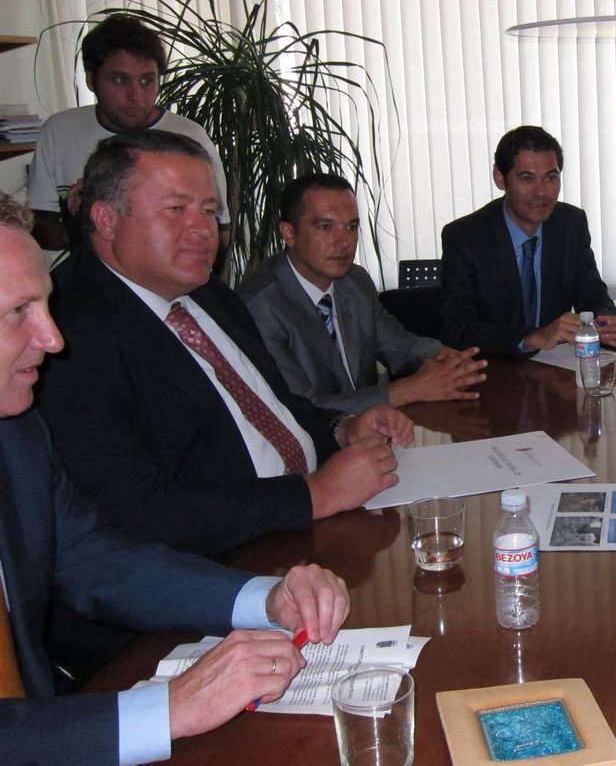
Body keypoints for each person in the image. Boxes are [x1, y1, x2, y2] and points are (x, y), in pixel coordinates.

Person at [0, 193, 351, 763]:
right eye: (21, 311)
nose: (53, 338)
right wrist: (168, 709)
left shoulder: (16, 434)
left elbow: (90, 559)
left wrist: (266, 599)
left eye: (45, 305)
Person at [38, 130, 413, 558]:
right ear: (106, 219)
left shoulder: (207, 293)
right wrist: (312, 496)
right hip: (224, 560)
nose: (205, 230)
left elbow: (273, 405)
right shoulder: (68, 334)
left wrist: (342, 429)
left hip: (305, 529)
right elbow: (134, 509)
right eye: (176, 209)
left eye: (209, 210)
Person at [238, 173, 487, 413]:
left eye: (351, 226)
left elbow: (399, 346)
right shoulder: (259, 306)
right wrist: (407, 390)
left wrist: (446, 358)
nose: (344, 242)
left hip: (376, 429)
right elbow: (298, 408)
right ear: (289, 234)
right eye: (325, 227)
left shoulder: (354, 281)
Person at [26, 14, 230, 254]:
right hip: (80, 274)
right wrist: (85, 220)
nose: (135, 95)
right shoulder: (59, 131)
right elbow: (40, 230)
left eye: (146, 81)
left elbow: (220, 234)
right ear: (91, 80)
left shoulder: (190, 137)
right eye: (119, 80)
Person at [440, 125, 616, 357]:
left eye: (551, 178)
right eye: (527, 179)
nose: (541, 193)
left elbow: (592, 293)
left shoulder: (570, 224)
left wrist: (604, 321)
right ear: (500, 178)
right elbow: (458, 329)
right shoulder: (465, 237)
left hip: (556, 367)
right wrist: (531, 338)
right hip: (494, 367)